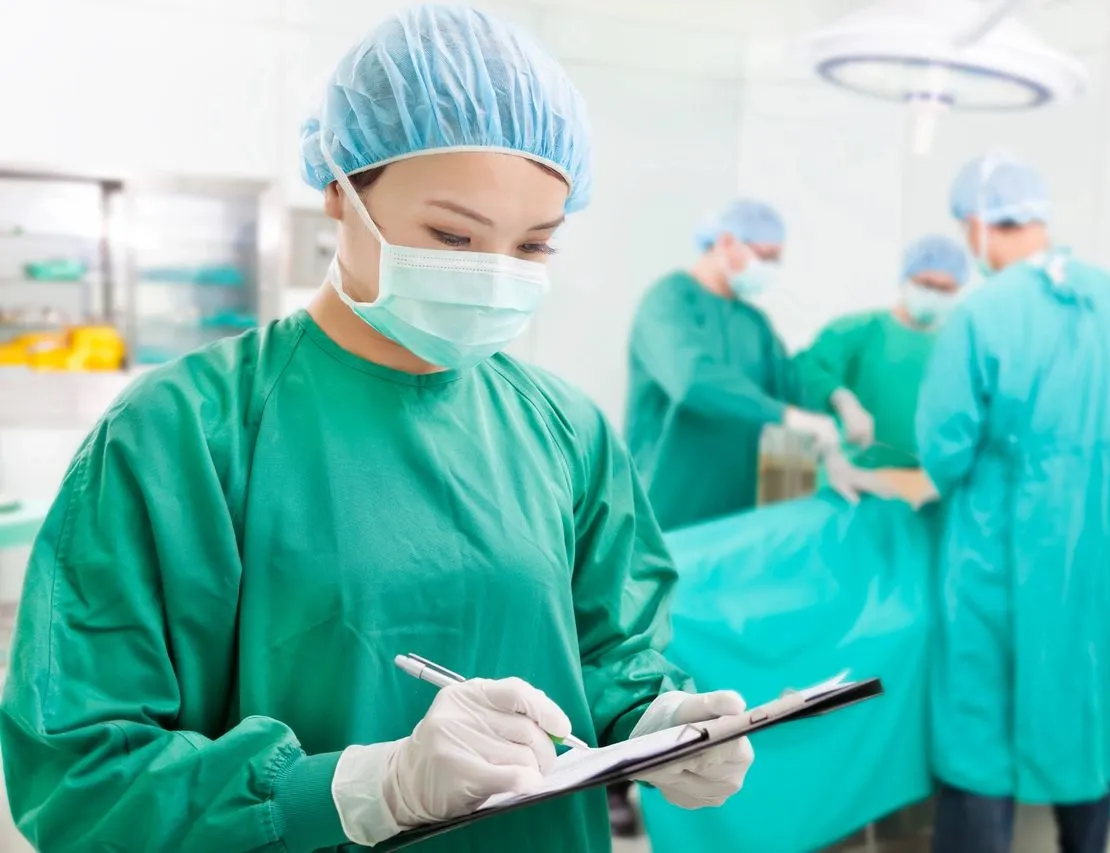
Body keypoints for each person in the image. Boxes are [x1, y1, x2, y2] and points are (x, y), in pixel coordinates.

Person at [0, 8, 754, 853]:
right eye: (452, 235)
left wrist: (662, 721)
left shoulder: (564, 428)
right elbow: (84, 776)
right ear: (338, 186)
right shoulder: (181, 434)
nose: (493, 274)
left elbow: (610, 650)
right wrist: (366, 788)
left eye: (535, 245)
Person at [916, 152, 1110, 853]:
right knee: (1085, 692)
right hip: (1102, 544)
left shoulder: (982, 313)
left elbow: (944, 446)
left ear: (977, 223)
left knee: (984, 711)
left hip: (1005, 549)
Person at [624, 200, 842, 532]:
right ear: (726, 243)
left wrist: (834, 441)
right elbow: (692, 379)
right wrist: (788, 417)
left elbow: (792, 390)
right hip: (664, 508)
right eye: (764, 256)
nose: (770, 267)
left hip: (733, 513)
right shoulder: (669, 299)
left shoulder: (754, 324)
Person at [794, 234, 969, 469]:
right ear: (905, 280)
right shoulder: (859, 330)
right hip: (857, 476)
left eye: (945, 289)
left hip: (927, 481)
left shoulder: (959, 346)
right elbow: (806, 368)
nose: (934, 294)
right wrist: (843, 400)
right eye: (926, 284)